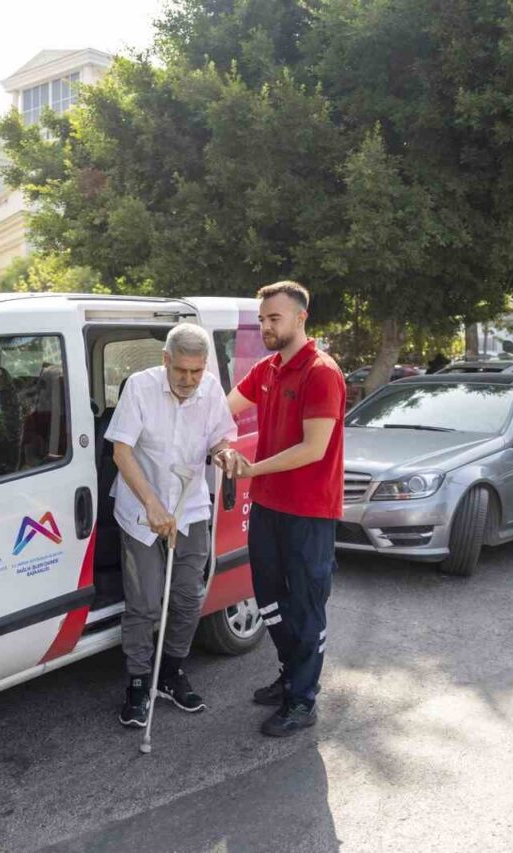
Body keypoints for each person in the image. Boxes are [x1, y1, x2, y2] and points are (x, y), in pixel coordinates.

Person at [220, 281, 346, 737]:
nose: (266, 327)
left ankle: (303, 699)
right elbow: (223, 409)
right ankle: (290, 672)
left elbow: (314, 448)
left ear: (300, 318)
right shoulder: (267, 368)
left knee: (307, 605)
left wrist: (251, 469)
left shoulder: (321, 372)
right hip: (269, 507)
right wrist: (216, 440)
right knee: (269, 597)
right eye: (262, 320)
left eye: (274, 318)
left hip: (310, 511)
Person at [105, 323, 237, 728]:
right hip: (142, 510)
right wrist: (152, 504)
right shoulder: (140, 388)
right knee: (144, 605)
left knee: (186, 598)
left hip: (191, 508)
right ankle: (139, 682)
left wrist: (224, 454)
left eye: (196, 372)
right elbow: (121, 452)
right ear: (165, 361)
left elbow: (221, 438)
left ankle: (170, 673)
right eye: (181, 371)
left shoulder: (210, 388)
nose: (189, 380)